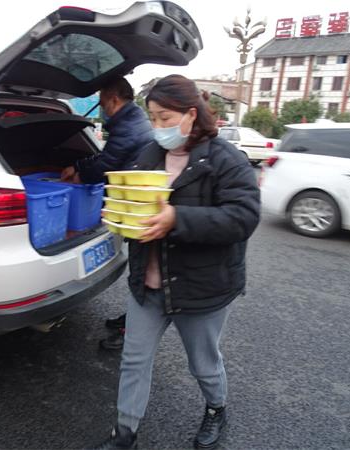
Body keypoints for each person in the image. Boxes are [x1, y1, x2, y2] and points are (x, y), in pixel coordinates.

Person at [94, 75, 260, 450]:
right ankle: (125, 434)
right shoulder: (150, 155)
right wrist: (122, 215)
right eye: (152, 118)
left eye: (165, 118)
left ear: (191, 114)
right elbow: (135, 202)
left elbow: (243, 217)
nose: (158, 127)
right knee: (134, 359)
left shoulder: (225, 160)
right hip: (148, 283)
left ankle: (216, 408)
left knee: (203, 363)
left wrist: (177, 219)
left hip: (201, 286)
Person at [61, 76, 153, 351]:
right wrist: (80, 166)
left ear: (114, 99)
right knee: (142, 270)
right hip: (136, 203)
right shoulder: (134, 119)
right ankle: (133, 320)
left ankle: (133, 331)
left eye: (102, 103)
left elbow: (106, 164)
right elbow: (107, 157)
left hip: (137, 208)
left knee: (144, 273)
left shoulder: (127, 126)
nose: (102, 108)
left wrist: (78, 172)